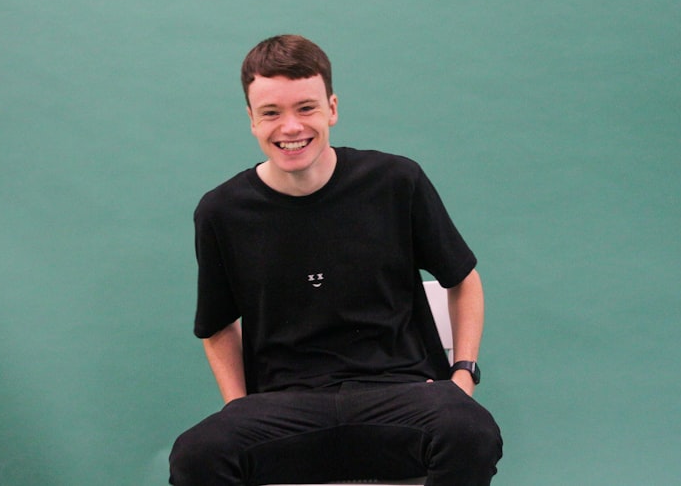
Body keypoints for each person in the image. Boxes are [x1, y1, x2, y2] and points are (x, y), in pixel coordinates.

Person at [169, 35, 503, 485]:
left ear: (332, 108)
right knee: (196, 456)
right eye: (271, 112)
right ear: (251, 119)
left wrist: (463, 374)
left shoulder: (395, 181)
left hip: (402, 396)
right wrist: (238, 405)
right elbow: (216, 325)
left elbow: (463, 280)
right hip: (284, 409)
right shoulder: (222, 212)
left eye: (306, 108)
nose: (290, 127)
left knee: (470, 431)